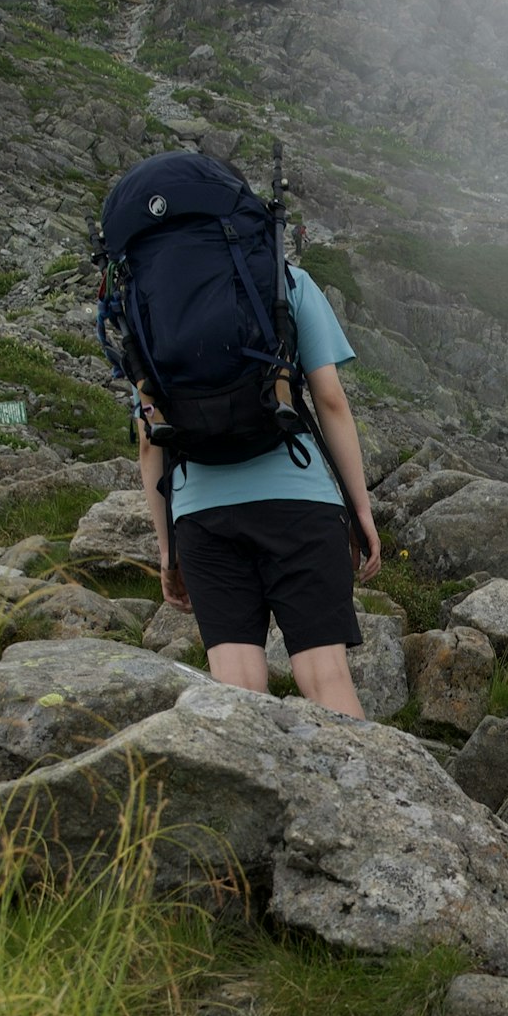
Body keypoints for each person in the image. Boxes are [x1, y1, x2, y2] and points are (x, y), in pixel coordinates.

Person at [139, 256, 385, 713]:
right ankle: (357, 785)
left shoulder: (150, 295)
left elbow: (150, 441)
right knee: (325, 678)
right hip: (301, 504)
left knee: (237, 689)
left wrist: (169, 550)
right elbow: (330, 400)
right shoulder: (286, 279)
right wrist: (359, 511)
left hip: (203, 514)